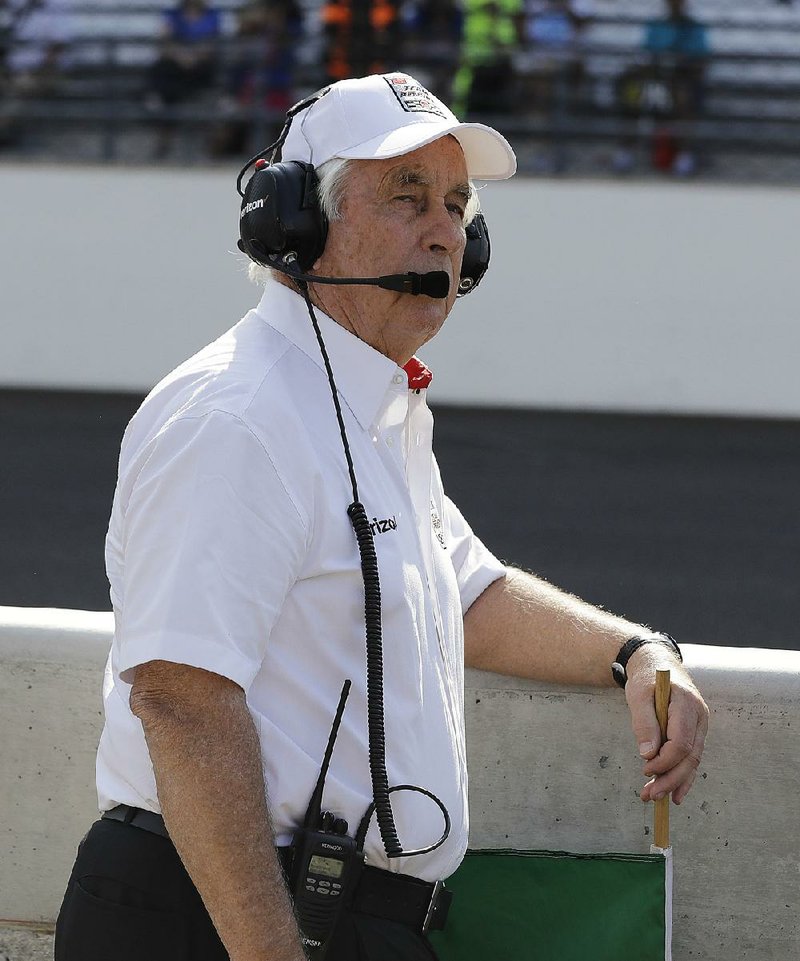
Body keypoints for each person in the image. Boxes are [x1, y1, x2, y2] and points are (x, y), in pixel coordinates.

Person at [53, 72, 708, 961]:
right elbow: (182, 700)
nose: (446, 230)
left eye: (456, 202)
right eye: (407, 196)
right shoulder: (234, 416)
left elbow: (466, 594)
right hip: (223, 918)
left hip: (338, 917)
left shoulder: (372, 410)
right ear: (299, 224)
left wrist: (635, 653)